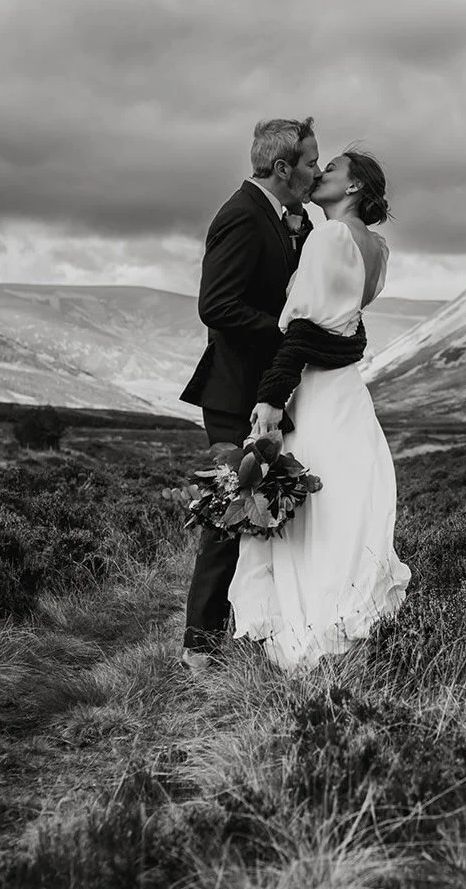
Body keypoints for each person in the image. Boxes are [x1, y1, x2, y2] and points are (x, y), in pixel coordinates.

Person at [228, 149, 411, 672]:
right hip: (349, 393)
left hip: (318, 394)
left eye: (331, 168)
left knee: (314, 514)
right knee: (343, 509)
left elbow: (307, 328)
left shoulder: (330, 236)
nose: (319, 173)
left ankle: (309, 637)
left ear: (353, 187)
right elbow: (348, 330)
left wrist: (271, 397)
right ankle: (345, 631)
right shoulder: (375, 247)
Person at [179, 117, 320, 670]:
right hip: (235, 392)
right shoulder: (240, 214)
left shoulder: (291, 219)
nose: (316, 171)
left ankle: (254, 629)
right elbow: (215, 305)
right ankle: (198, 645)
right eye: (310, 161)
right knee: (231, 513)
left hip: (268, 392)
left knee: (266, 511)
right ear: (282, 167)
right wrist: (285, 330)